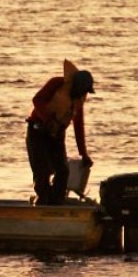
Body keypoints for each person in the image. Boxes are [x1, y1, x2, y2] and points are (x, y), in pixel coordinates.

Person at [26, 59, 95, 206]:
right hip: (37, 131)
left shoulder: (79, 99)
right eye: (83, 90)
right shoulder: (56, 83)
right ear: (76, 85)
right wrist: (47, 120)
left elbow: (78, 125)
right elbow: (37, 100)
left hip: (57, 135)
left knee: (63, 170)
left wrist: (84, 154)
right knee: (42, 172)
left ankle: (57, 201)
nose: (84, 94)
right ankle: (43, 201)